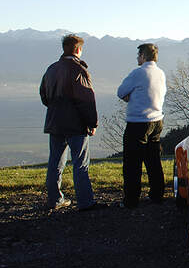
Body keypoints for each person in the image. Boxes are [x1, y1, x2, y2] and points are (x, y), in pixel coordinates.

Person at [40, 34, 105, 211]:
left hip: (55, 122)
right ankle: (85, 202)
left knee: (55, 162)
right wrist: (92, 123)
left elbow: (44, 96)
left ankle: (54, 199)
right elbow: (86, 100)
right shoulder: (79, 70)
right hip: (76, 124)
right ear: (78, 49)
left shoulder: (51, 69)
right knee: (80, 163)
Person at [117, 43, 167, 208]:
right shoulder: (160, 73)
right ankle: (157, 194)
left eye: (139, 55)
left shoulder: (138, 73)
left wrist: (131, 96)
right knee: (153, 160)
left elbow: (121, 92)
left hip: (138, 123)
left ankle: (131, 200)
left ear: (144, 56)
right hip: (157, 121)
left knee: (132, 163)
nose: (137, 58)